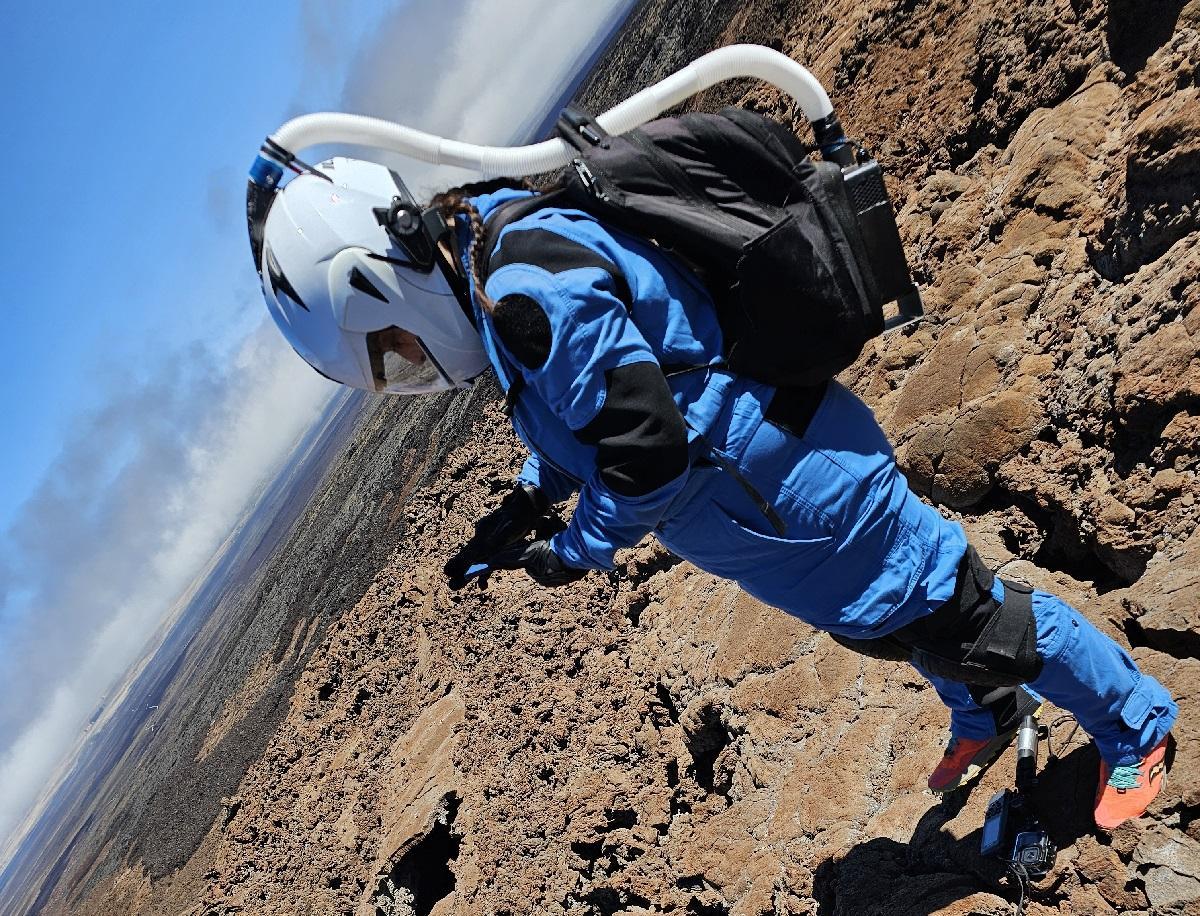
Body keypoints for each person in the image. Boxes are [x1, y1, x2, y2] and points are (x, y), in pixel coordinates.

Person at [255, 156, 1177, 831]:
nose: (414, 369)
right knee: (895, 626)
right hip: (769, 515)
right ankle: (986, 712)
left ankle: (1136, 721)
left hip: (806, 489)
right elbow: (588, 410)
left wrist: (574, 550)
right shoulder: (497, 280)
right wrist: (529, 501)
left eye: (395, 351)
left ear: (386, 281)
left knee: (971, 616)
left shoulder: (525, 285)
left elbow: (645, 454)